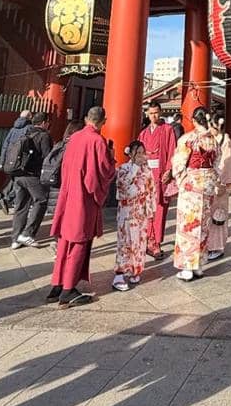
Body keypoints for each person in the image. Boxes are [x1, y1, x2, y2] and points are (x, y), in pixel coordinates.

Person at [46, 107, 115, 308]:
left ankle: (57, 284)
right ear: (104, 121)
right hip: (82, 199)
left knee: (64, 242)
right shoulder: (97, 141)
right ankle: (68, 290)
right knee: (78, 242)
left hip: (67, 195)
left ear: (86, 119)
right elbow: (100, 173)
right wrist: (111, 158)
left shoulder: (74, 138)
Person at [172, 108, 221, 282]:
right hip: (207, 185)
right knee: (203, 225)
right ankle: (199, 265)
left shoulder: (188, 139)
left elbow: (178, 164)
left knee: (188, 226)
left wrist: (181, 180)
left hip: (191, 186)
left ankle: (187, 267)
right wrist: (212, 181)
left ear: (194, 120)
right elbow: (217, 164)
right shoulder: (213, 140)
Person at [112, 140, 156, 291]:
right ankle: (119, 273)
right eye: (137, 153)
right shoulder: (123, 169)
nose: (141, 156)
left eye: (143, 153)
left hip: (140, 211)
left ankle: (135, 270)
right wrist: (135, 167)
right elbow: (123, 188)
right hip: (127, 210)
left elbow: (151, 190)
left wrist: (150, 209)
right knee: (125, 242)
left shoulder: (147, 171)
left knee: (139, 242)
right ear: (130, 154)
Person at [137, 101, 177, 260]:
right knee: (146, 209)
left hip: (161, 174)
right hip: (147, 174)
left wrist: (169, 170)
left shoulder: (168, 130)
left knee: (160, 208)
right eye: (151, 113)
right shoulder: (144, 133)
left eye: (156, 113)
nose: (154, 116)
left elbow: (172, 150)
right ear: (147, 114)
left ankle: (156, 242)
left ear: (160, 113)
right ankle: (146, 239)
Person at [8, 112, 53, 249]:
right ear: (44, 122)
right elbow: (47, 158)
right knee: (41, 200)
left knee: (21, 205)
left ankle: (16, 238)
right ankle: (28, 233)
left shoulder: (23, 133)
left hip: (18, 174)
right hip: (32, 175)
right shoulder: (44, 136)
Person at [207, 116, 231, 262]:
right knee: (210, 214)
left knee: (219, 215)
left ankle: (217, 246)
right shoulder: (213, 141)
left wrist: (222, 183)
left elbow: (227, 164)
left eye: (211, 126)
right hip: (211, 182)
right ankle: (210, 244)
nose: (210, 129)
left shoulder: (227, 143)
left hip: (221, 184)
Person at [0, 110, 33, 213]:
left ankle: (5, 195)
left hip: (10, 159)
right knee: (19, 181)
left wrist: (2, 160)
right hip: (21, 159)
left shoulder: (13, 129)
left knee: (14, 179)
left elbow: (5, 145)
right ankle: (7, 198)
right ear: (29, 117)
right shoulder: (29, 128)